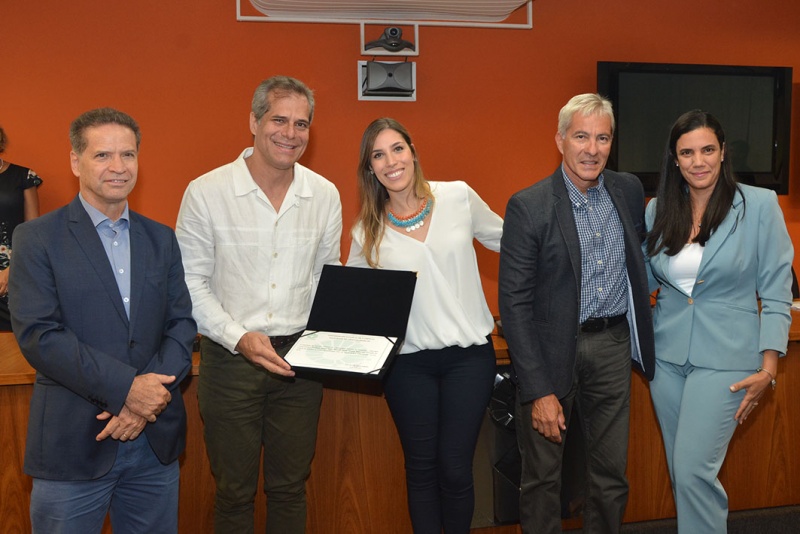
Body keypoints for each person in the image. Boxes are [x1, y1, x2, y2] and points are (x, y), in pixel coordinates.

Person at [8, 108, 197, 533]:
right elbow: (40, 336)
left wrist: (145, 403)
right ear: (76, 161)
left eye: (127, 155)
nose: (118, 167)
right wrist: (129, 391)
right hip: (73, 444)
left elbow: (182, 324)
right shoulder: (37, 238)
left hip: (154, 442)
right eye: (102, 155)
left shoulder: (161, 238)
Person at [175, 76, 342, 534]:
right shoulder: (206, 192)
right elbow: (190, 282)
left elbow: (327, 277)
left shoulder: (324, 194)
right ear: (253, 121)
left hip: (300, 362)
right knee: (234, 492)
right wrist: (239, 337)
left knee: (291, 488)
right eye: (279, 120)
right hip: (230, 362)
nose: (291, 133)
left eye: (302, 123)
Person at [499, 93, 656, 534]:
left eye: (602, 138)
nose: (592, 148)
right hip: (550, 352)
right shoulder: (529, 206)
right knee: (543, 480)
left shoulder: (626, 190)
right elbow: (513, 302)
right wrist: (538, 390)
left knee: (610, 476)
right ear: (560, 140)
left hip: (611, 345)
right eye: (581, 136)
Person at [346, 117, 503, 533]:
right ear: (370, 169)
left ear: (413, 152)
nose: (390, 161)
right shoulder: (366, 232)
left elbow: (512, 241)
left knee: (454, 467)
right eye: (377, 155)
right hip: (407, 365)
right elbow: (354, 306)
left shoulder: (458, 197)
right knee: (420, 468)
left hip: (468, 359)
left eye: (397, 148)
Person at [644, 110, 793, 533]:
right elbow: (638, 274)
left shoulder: (759, 205)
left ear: (723, 152)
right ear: (675, 160)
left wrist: (769, 365)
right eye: (687, 152)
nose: (698, 161)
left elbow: (777, 288)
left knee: (693, 471)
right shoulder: (658, 209)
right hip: (667, 358)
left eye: (708, 149)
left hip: (728, 358)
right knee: (682, 474)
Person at [0, 126, 43, 331]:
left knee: (16, 335)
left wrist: (11, 269)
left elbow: (32, 230)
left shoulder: (23, 176)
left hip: (13, 270)